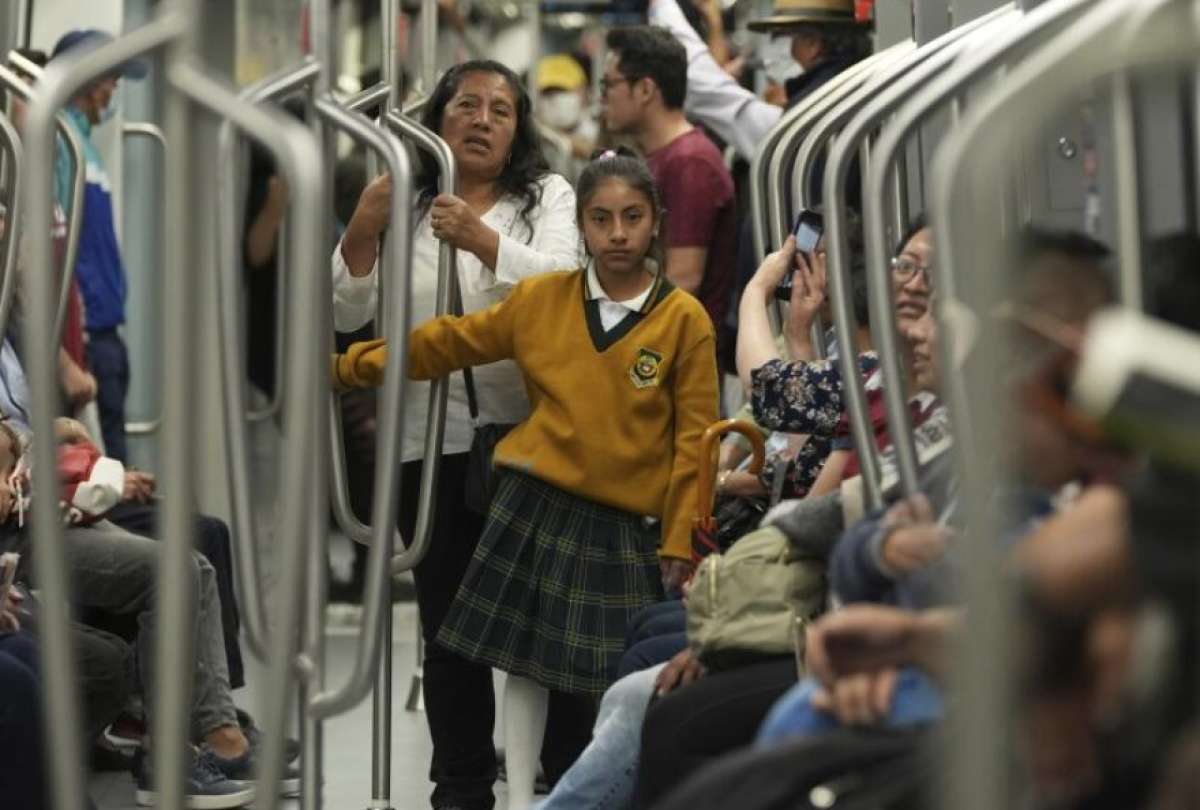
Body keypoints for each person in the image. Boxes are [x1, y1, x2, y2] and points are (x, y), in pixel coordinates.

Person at [337, 149, 720, 810]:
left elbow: (698, 441)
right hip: (532, 503)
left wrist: (681, 539)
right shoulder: (544, 299)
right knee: (523, 661)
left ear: (656, 222)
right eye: (601, 219)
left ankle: (575, 792)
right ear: (584, 227)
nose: (618, 233)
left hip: (621, 520)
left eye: (632, 216)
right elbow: (445, 342)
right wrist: (347, 366)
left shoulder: (684, 319)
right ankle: (517, 799)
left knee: (600, 673)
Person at [331, 60, 584, 810]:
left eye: (500, 110)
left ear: (518, 130)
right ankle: (462, 789)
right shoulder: (399, 204)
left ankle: (567, 781)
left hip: (534, 438)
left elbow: (566, 288)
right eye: (466, 104)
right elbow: (347, 317)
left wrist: (481, 240)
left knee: (549, 626)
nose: (481, 119)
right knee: (451, 635)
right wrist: (361, 234)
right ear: (436, 119)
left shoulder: (547, 198)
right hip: (426, 440)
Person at [602, 26, 737, 370]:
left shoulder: (689, 162)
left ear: (645, 88)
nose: (603, 98)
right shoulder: (663, 158)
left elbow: (684, 277)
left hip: (678, 361)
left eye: (610, 85)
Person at [50, 30, 146, 462]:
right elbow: (55, 243)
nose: (113, 90)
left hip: (106, 324)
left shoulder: (83, 146)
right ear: (88, 79)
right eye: (110, 78)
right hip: (87, 332)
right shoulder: (60, 142)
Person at [647, 0, 873, 162]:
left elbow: (702, 85)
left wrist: (662, 6)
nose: (771, 53)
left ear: (812, 44)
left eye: (782, 35)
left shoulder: (807, 115)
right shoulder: (846, 95)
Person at [534, 53, 598, 182]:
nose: (555, 99)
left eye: (563, 91)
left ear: (583, 92)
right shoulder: (536, 136)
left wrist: (562, 141)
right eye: (549, 93)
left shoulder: (599, 131)